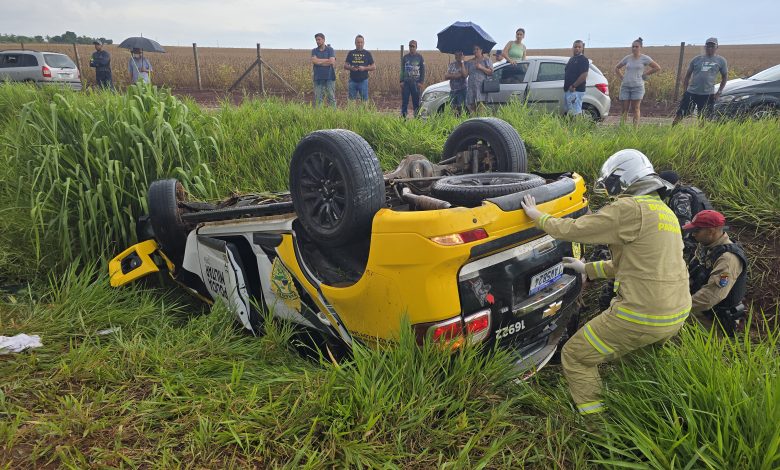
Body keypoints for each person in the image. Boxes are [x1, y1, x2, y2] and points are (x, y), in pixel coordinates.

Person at [521, 149, 691, 417]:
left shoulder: (629, 208)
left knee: (576, 356)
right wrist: (587, 268)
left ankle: (598, 429)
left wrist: (538, 216)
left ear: (622, 180)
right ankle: (636, 415)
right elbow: (632, 266)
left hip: (641, 314)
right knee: (634, 363)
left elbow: (577, 229)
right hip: (675, 313)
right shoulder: (664, 213)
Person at [685, 210, 747, 337]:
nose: (693, 234)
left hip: (714, 322)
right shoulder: (706, 247)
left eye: (696, 230)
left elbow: (711, 296)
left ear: (711, 231)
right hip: (700, 310)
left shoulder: (728, 259)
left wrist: (677, 308)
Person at [658, 170, 713, 261]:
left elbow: (685, 225)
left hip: (694, 240)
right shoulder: (683, 192)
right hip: (701, 235)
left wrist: (679, 244)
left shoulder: (681, 198)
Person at [672, 37, 728, 125]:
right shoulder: (696, 59)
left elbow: (724, 77)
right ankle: (673, 130)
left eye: (712, 46)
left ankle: (701, 135)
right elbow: (687, 76)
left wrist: (719, 92)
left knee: (704, 117)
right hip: (692, 92)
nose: (710, 48)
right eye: (708, 46)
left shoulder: (721, 61)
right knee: (681, 113)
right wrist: (685, 91)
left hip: (707, 94)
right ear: (705, 47)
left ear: (717, 47)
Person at [615, 37, 661, 126]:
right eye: (633, 46)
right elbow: (617, 68)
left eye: (636, 47)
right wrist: (622, 77)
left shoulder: (645, 58)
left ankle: (635, 130)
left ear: (641, 47)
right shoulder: (627, 58)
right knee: (624, 109)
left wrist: (646, 74)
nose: (634, 48)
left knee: (635, 108)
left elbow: (657, 67)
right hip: (625, 86)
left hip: (637, 87)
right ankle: (622, 127)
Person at [344, 35, 376, 101]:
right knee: (351, 101)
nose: (360, 44)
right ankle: (352, 111)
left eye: (361, 42)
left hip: (363, 80)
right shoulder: (351, 53)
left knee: (364, 101)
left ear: (364, 43)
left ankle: (364, 111)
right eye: (358, 42)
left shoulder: (367, 53)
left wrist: (364, 68)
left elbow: (373, 67)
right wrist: (351, 68)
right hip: (352, 80)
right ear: (355, 43)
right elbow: (345, 66)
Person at [564, 40, 589, 116]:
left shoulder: (583, 60)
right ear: (572, 48)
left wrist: (574, 86)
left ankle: (577, 127)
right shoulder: (572, 59)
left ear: (582, 48)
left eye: (579, 47)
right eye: (575, 47)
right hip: (569, 90)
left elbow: (584, 75)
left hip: (576, 90)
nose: (577, 48)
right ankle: (571, 127)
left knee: (576, 113)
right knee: (571, 112)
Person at [400, 40, 425, 118]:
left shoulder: (420, 57)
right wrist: (401, 81)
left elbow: (423, 70)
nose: (411, 48)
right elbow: (402, 70)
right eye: (410, 46)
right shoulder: (405, 57)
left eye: (413, 46)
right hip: (406, 83)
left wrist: (421, 82)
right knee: (405, 101)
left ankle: (417, 117)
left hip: (416, 83)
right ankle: (403, 117)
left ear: (416, 47)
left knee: (416, 102)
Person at [311, 33, 337, 108]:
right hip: (318, 78)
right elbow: (314, 61)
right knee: (318, 99)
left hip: (329, 77)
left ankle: (334, 115)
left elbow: (332, 62)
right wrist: (327, 61)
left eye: (319, 39)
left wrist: (319, 62)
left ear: (324, 40)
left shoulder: (330, 49)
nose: (317, 41)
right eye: (316, 40)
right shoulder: (314, 51)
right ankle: (318, 116)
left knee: (331, 98)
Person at [466, 44, 493, 114]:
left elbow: (491, 72)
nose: (475, 51)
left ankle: (481, 124)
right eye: (474, 49)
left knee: (481, 109)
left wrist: (481, 67)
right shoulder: (470, 62)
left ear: (481, 50)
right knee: (472, 110)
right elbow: (465, 74)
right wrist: (462, 62)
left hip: (481, 87)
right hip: (472, 87)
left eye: (477, 49)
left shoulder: (486, 60)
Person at [444, 50, 468, 115]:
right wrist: (456, 75)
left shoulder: (465, 64)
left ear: (462, 55)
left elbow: (464, 75)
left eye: (459, 55)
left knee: (462, 109)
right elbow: (446, 76)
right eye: (456, 54)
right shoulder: (452, 64)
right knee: (453, 110)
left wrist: (462, 62)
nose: (457, 56)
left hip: (462, 91)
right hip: (453, 91)